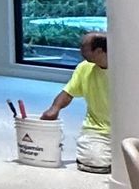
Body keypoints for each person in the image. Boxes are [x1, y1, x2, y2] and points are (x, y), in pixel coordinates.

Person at [42, 30, 110, 174]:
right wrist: (55, 108)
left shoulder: (128, 70)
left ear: (98, 51)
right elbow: (68, 92)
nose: (80, 51)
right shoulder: (84, 68)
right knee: (94, 162)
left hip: (132, 128)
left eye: (83, 47)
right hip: (98, 129)